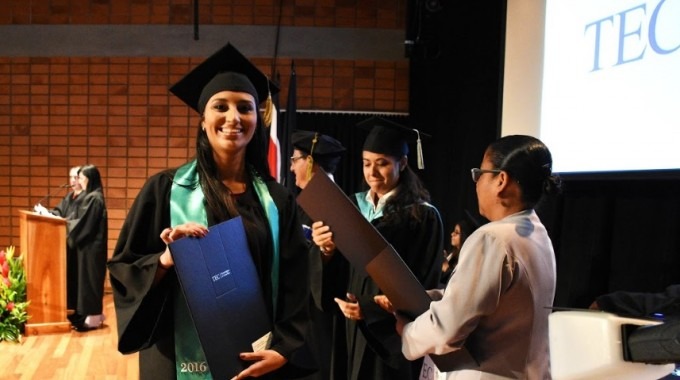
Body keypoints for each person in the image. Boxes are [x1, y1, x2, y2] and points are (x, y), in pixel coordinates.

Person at [107, 43, 311, 380]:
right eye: (221, 106)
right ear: (203, 120)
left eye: (245, 108)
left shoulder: (277, 200)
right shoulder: (164, 190)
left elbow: (296, 281)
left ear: (257, 120)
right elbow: (124, 268)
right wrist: (166, 260)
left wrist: (284, 348)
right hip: (178, 359)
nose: (233, 118)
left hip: (257, 359)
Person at [375, 135, 562, 379]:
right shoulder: (537, 234)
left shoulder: (493, 238)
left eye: (480, 173)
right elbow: (493, 301)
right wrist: (422, 299)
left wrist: (407, 331)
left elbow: (448, 327)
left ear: (501, 180)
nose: (476, 183)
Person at [311, 116, 444, 380]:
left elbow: (422, 285)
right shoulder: (351, 206)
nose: (372, 173)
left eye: (382, 164)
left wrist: (370, 309)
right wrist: (326, 251)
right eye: (366, 163)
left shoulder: (422, 217)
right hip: (350, 326)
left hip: (390, 336)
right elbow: (339, 273)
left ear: (403, 164)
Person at [290, 130, 348, 380]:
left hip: (325, 316)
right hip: (303, 313)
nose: (291, 168)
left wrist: (323, 252)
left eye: (294, 160)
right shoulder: (305, 203)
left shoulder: (335, 205)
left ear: (310, 161)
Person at [67, 164, 108, 331]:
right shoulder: (89, 197)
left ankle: (91, 319)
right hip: (85, 249)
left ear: (90, 179)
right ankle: (81, 315)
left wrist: (65, 226)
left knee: (89, 283)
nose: (80, 181)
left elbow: (82, 224)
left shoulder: (94, 198)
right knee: (82, 282)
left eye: (83, 178)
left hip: (91, 251)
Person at [440, 217, 475, 284]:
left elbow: (458, 281)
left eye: (456, 232)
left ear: (464, 235)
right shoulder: (452, 254)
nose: (452, 234)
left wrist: (445, 267)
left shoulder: (466, 258)